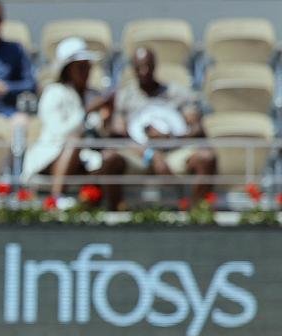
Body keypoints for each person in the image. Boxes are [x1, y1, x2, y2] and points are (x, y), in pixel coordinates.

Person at [21, 37, 124, 208]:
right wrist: (88, 111)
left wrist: (108, 116)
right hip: (52, 154)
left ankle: (111, 206)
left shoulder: (93, 94)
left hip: (86, 157)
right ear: (68, 70)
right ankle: (56, 198)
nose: (86, 71)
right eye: (80, 67)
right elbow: (60, 132)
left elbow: (100, 134)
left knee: (113, 158)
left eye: (87, 66)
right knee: (74, 141)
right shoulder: (53, 93)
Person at [110, 46, 217, 203]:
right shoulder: (125, 97)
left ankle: (194, 214)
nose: (144, 71)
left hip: (175, 151)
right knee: (110, 159)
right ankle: (114, 215)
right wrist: (150, 155)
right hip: (138, 153)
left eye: (148, 66)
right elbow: (119, 134)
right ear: (133, 69)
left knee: (206, 157)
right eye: (139, 67)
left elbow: (197, 128)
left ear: (155, 66)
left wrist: (171, 138)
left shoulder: (177, 93)